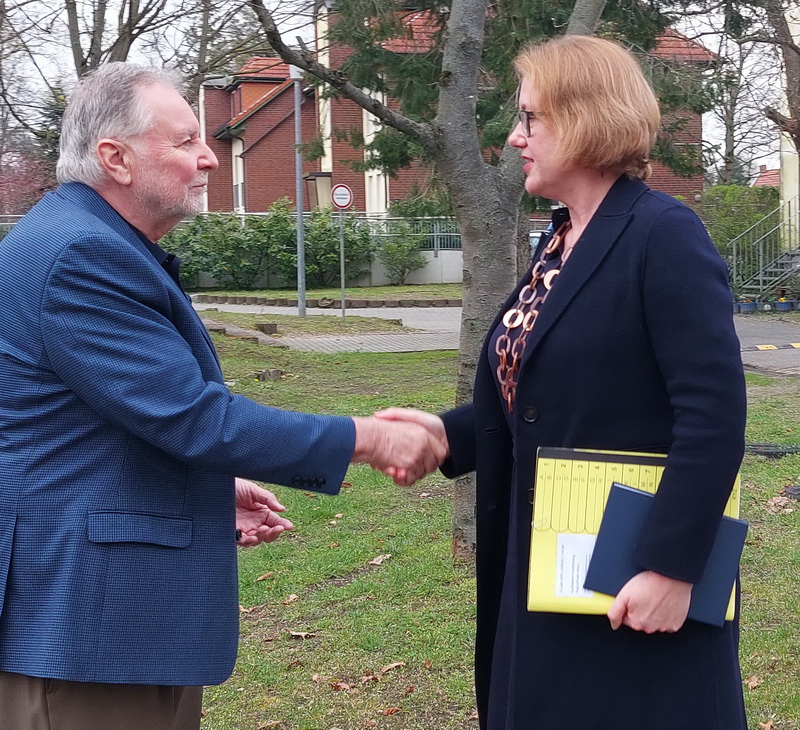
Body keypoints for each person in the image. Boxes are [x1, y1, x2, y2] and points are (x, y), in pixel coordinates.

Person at [0, 63, 444, 730]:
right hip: (88, 640)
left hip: (109, 631)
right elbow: (196, 418)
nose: (209, 157)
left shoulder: (82, 237)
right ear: (114, 158)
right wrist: (368, 437)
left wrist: (207, 487)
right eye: (184, 142)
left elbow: (99, 422)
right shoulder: (81, 256)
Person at [378, 35, 747, 729]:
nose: (516, 139)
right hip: (547, 566)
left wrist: (671, 568)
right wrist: (444, 434)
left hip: (632, 579)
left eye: (530, 119)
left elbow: (714, 417)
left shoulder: (663, 234)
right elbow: (539, 394)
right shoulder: (560, 239)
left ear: (584, 118)